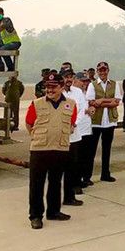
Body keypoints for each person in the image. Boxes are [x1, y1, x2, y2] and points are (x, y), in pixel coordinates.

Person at [25, 70, 77, 229]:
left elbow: (72, 124)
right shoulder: (37, 104)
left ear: (62, 87)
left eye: (54, 87)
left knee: (55, 182)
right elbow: (29, 123)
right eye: (48, 86)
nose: (49, 90)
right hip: (40, 150)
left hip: (60, 149)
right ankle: (35, 216)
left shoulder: (71, 104)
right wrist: (39, 137)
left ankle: (53, 211)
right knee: (36, 184)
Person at [82, 61, 121, 185]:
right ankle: (87, 177)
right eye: (100, 70)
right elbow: (91, 102)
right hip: (96, 122)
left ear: (108, 71)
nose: (103, 72)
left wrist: (101, 101)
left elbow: (116, 102)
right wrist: (107, 101)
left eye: (104, 70)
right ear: (97, 71)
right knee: (90, 150)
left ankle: (105, 173)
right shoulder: (93, 85)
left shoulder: (115, 84)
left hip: (109, 121)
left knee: (107, 149)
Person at [61, 71, 90, 207]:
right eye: (66, 77)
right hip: (61, 134)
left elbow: (82, 109)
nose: (68, 80)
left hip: (75, 133)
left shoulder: (77, 92)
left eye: (70, 77)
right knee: (62, 165)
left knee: (74, 163)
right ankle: (65, 194)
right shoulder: (58, 92)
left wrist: (74, 123)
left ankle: (71, 192)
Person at [0, 7, 21, 71]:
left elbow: (2, 26)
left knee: (3, 49)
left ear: (3, 14)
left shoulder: (6, 20)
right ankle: (0, 66)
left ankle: (11, 68)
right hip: (4, 44)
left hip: (14, 43)